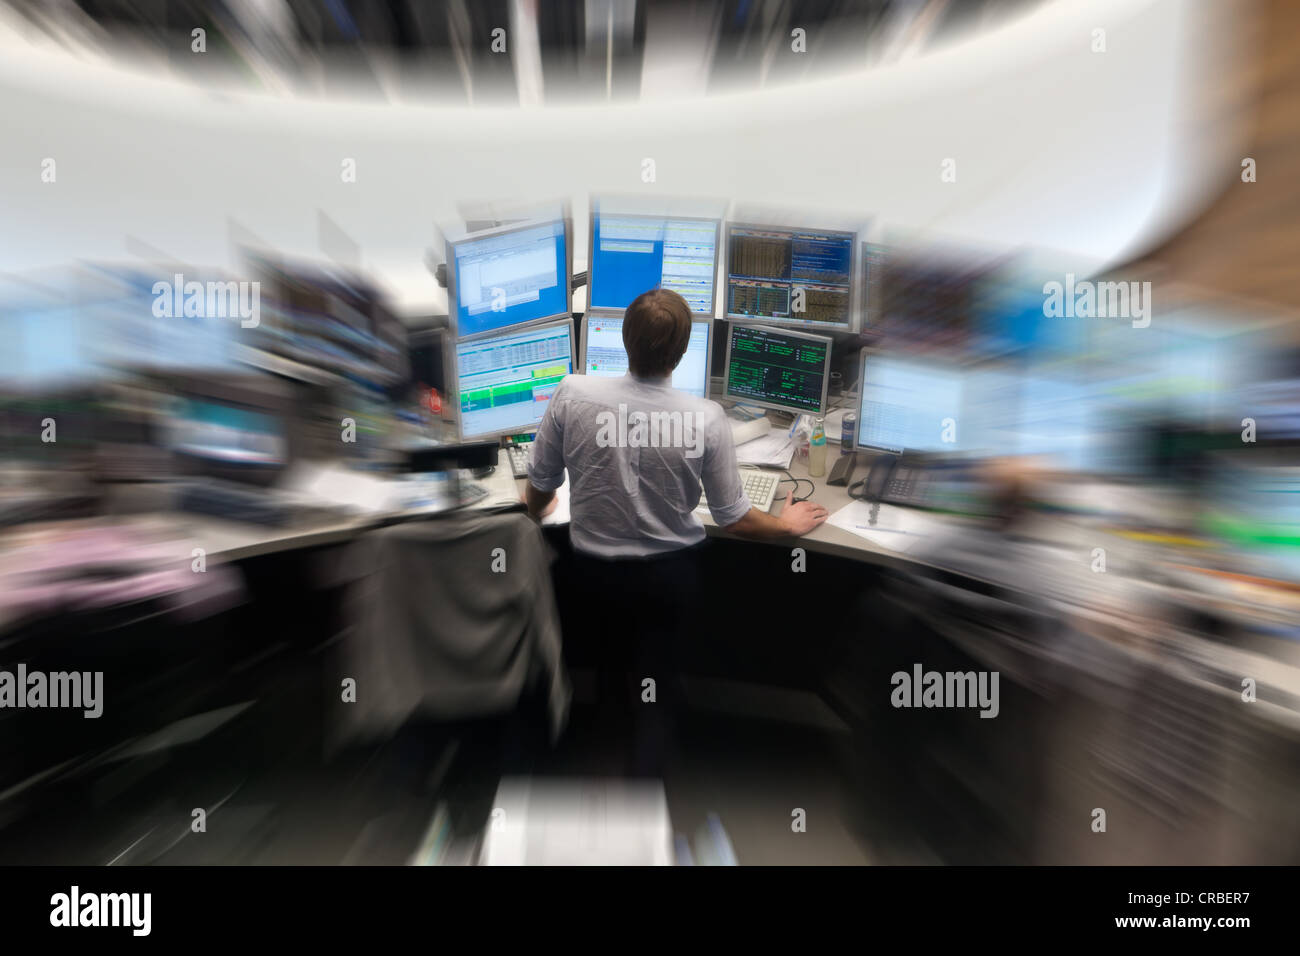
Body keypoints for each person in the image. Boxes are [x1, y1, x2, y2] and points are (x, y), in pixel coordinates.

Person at [524, 287, 829, 775]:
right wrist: (784, 523)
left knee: (608, 654)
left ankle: (606, 726)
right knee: (656, 677)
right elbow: (735, 519)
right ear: (683, 352)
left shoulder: (572, 394)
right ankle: (647, 774)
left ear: (622, 339)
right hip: (667, 580)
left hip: (592, 575)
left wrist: (546, 504)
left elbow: (537, 493)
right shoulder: (706, 418)